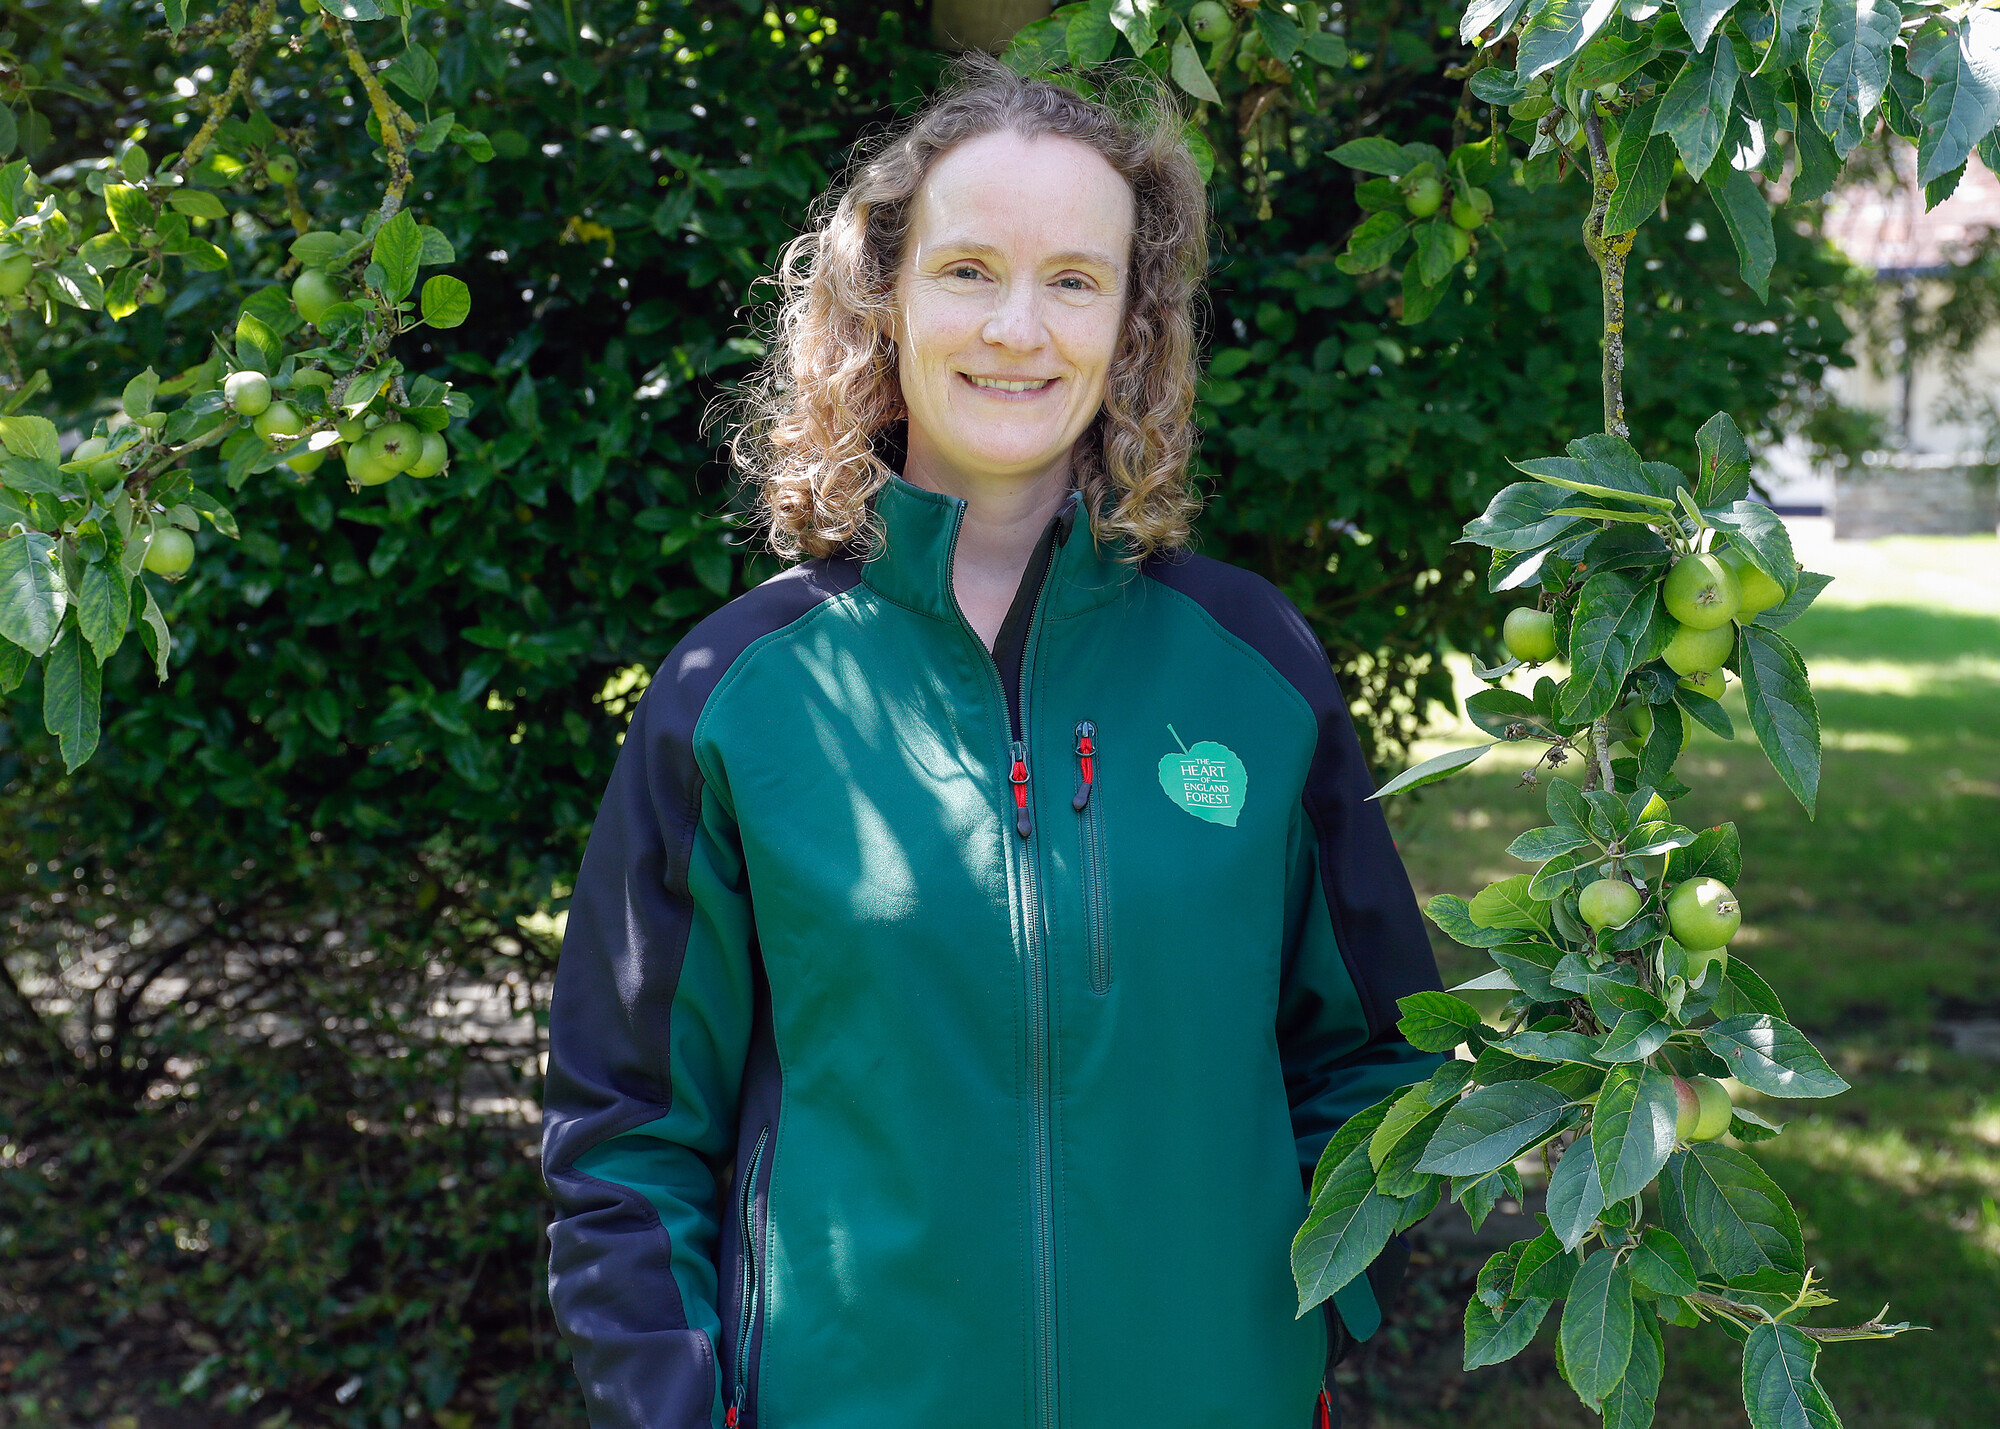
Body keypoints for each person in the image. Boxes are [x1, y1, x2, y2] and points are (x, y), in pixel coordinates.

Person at [540, 57, 1443, 1429]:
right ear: (882, 300)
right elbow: (627, 1132)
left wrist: (1296, 1323)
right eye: (969, 269)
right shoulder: (739, 695)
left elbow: (1381, 1062)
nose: (1018, 327)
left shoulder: (1255, 674)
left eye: (1074, 279)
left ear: (1130, 324)